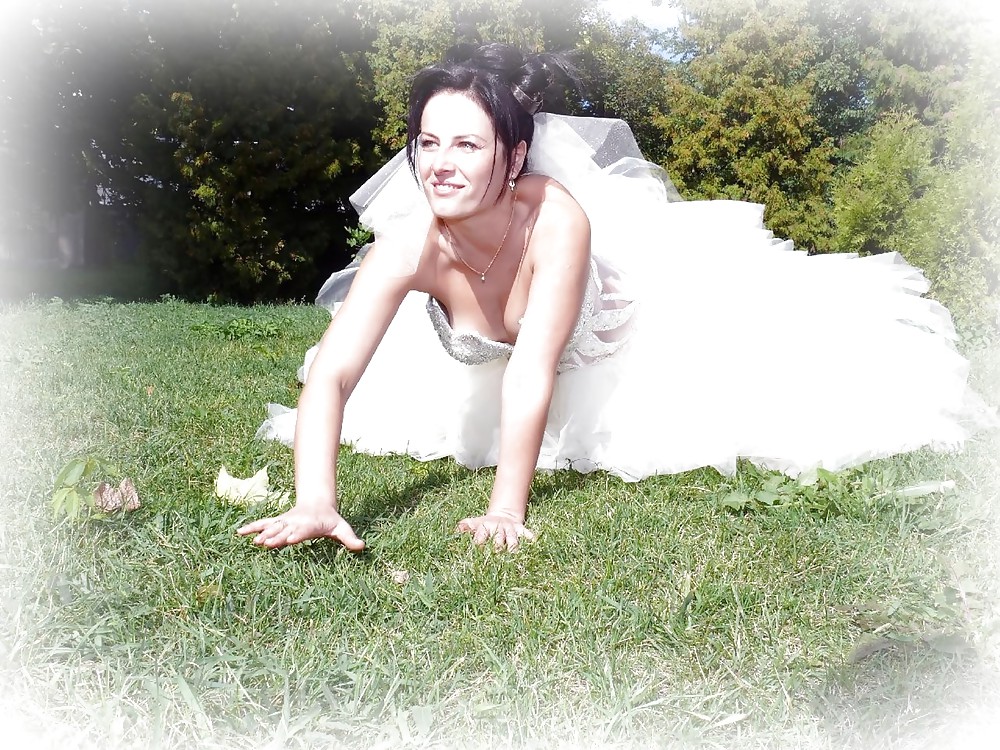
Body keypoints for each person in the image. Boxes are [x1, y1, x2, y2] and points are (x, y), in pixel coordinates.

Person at [238, 43, 994, 553]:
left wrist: (505, 508)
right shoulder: (409, 246)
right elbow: (332, 373)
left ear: (515, 154)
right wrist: (316, 500)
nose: (440, 164)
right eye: (428, 143)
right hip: (493, 368)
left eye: (467, 144)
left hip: (618, 344)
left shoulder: (556, 218)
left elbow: (532, 368)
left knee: (778, 379)